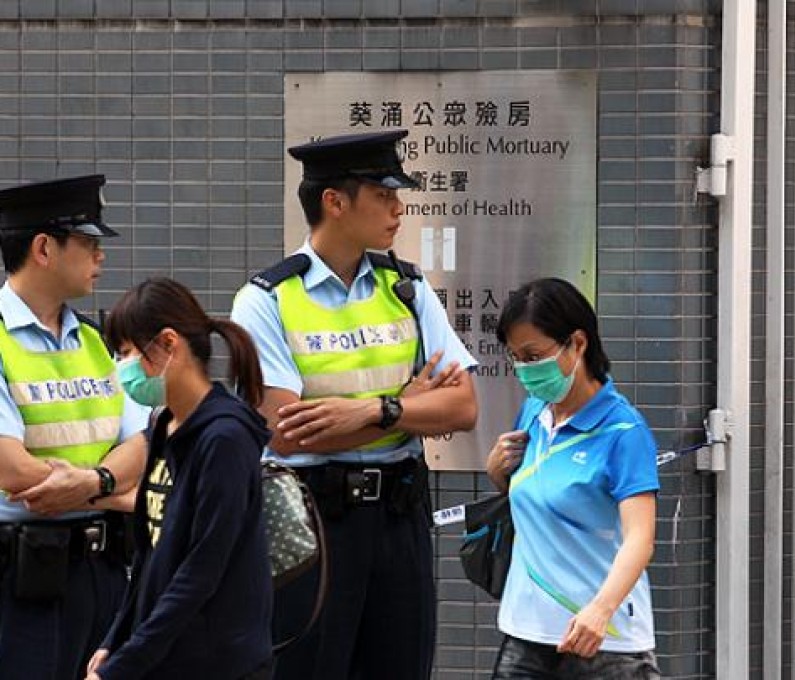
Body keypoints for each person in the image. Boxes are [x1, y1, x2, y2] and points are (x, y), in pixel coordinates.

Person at [231, 129, 478, 680]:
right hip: (315, 524)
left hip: (400, 519)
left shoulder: (408, 288)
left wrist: (375, 412)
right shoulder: (266, 300)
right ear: (335, 202)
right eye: (383, 194)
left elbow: (462, 407)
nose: (399, 207)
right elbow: (285, 433)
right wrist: (409, 407)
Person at [85, 277, 273, 680]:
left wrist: (125, 663)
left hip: (215, 662)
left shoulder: (224, 439)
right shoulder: (165, 426)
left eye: (128, 352)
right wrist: (113, 640)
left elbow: (200, 571)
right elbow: (151, 557)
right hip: (167, 656)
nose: (124, 368)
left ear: (169, 344)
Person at [0, 175, 148, 679]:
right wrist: (116, 487)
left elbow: (146, 444)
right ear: (44, 248)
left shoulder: (92, 339)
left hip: (104, 571)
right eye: (88, 243)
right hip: (21, 581)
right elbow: (16, 473)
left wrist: (94, 483)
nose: (99, 256)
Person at [485, 278, 661, 679]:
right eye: (517, 358)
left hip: (605, 640)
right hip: (526, 631)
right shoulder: (533, 414)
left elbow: (640, 538)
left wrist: (600, 610)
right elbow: (538, 501)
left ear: (577, 343)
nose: (526, 370)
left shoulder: (624, 431)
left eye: (534, 355)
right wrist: (498, 475)